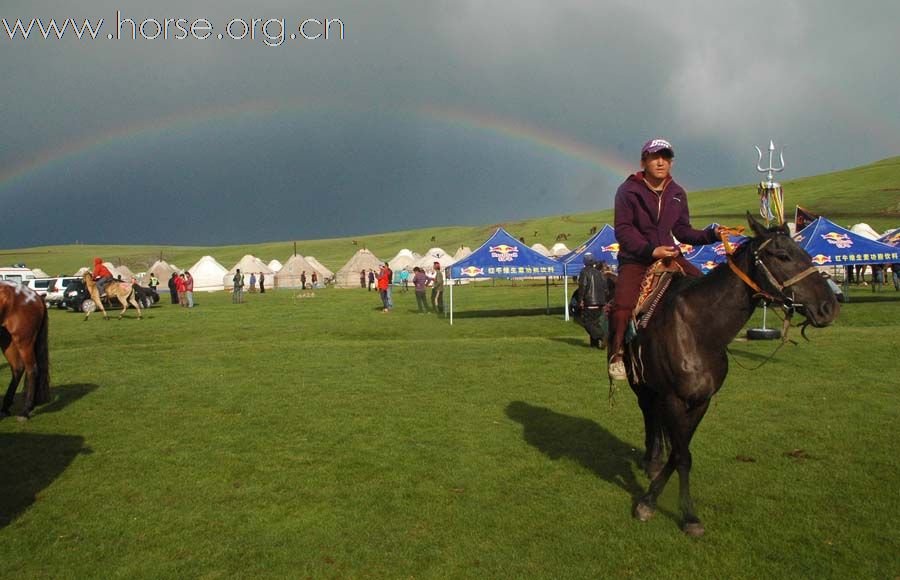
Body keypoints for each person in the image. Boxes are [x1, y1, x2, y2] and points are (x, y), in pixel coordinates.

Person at [608, 138, 720, 381]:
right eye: (654, 157)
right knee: (624, 305)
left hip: (670, 255)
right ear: (643, 161)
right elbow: (624, 231)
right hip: (636, 258)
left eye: (665, 157)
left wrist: (713, 234)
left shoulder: (677, 192)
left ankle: (707, 347)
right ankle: (616, 354)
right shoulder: (627, 191)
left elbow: (683, 231)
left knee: (704, 290)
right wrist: (651, 250)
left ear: (671, 161)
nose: (660, 162)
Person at [577, 253, 609, 349]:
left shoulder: (584, 272)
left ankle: (602, 336)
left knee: (587, 323)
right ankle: (594, 345)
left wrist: (580, 300)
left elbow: (583, 286)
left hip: (590, 302)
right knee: (594, 323)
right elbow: (605, 288)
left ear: (585, 262)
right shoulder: (599, 273)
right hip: (600, 302)